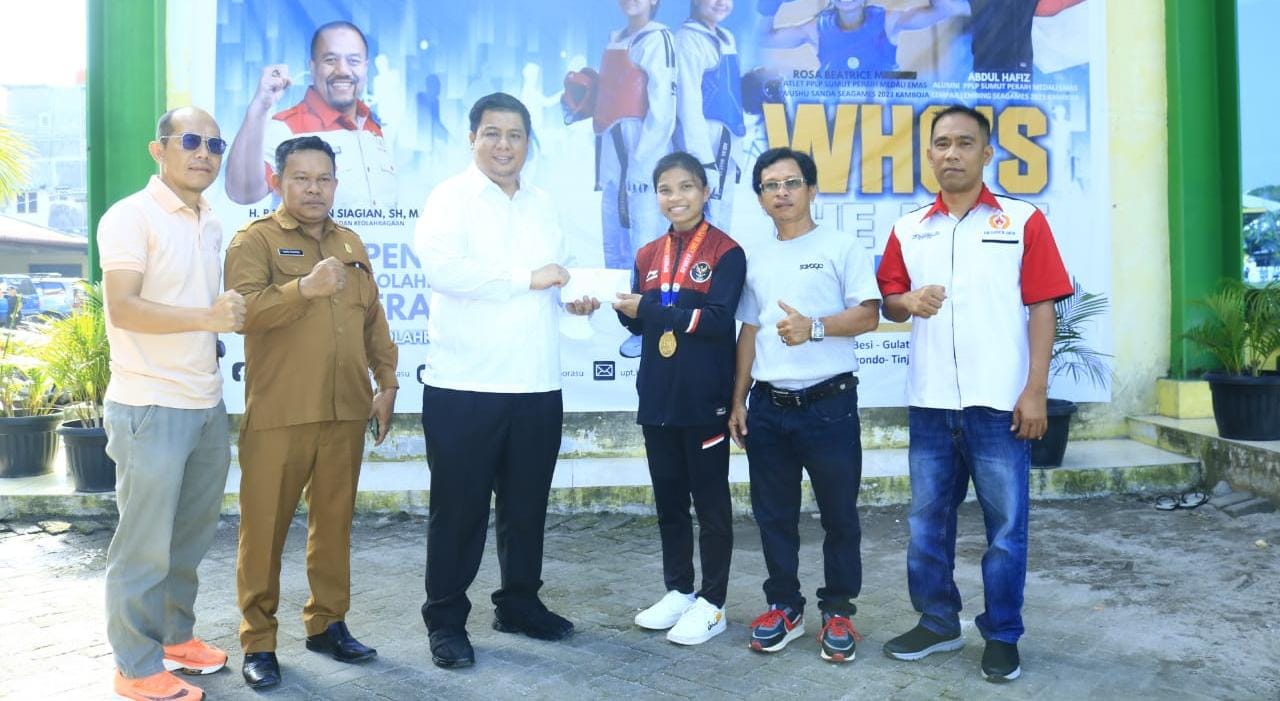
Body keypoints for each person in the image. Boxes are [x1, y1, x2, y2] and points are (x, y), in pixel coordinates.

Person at [875, 105, 1072, 682]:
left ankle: (1003, 634)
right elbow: (889, 301)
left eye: (965, 143)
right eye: (942, 144)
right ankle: (937, 622)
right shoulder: (909, 228)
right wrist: (906, 302)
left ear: (987, 153)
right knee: (925, 523)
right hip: (931, 402)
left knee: (1006, 528)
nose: (952, 153)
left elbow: (1042, 308)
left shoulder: (1023, 220)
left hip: (1000, 404)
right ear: (929, 154)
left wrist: (1035, 391)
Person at [413, 93, 600, 669]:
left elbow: (559, 278)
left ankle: (519, 603)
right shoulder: (449, 198)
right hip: (465, 386)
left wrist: (575, 300)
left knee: (526, 508)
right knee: (459, 512)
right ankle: (446, 620)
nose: (503, 145)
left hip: (536, 383)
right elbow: (444, 271)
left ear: (527, 143)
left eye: (515, 135)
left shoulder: (543, 204)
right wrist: (528, 278)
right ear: (472, 138)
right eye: (492, 133)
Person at [224, 135, 398, 690]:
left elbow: (373, 319)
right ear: (278, 182)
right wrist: (304, 288)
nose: (313, 189)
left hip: (345, 409)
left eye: (323, 178)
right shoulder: (255, 240)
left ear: (336, 185)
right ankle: (259, 640)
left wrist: (387, 381)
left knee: (334, 525)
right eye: (301, 178)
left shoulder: (350, 242)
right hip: (281, 412)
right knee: (263, 531)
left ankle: (327, 623)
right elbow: (244, 314)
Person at [98, 106, 246, 701]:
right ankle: (135, 666)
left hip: (204, 402)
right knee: (143, 547)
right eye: (190, 141)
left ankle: (175, 637)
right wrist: (208, 319)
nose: (204, 153)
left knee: (188, 538)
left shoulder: (210, 220)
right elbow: (123, 307)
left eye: (214, 144)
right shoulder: (130, 217)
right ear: (158, 150)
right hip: (149, 403)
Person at [728, 147, 880, 663]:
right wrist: (738, 399)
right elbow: (749, 331)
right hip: (768, 408)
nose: (782, 193)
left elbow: (868, 315)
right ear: (760, 198)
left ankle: (838, 611)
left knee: (839, 516)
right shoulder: (754, 258)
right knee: (774, 516)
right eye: (771, 186)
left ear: (812, 190)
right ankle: (785, 607)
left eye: (792, 183)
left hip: (828, 405)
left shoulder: (841, 246)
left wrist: (814, 327)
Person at [614, 151, 745, 645]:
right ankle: (680, 590)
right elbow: (641, 324)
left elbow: (716, 321)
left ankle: (713, 603)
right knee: (669, 502)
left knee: (709, 505)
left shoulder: (727, 252)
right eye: (665, 189)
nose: (676, 198)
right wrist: (622, 309)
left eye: (686, 187)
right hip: (657, 399)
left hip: (704, 400)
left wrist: (649, 310)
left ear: (705, 192)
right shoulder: (648, 254)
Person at [224, 21, 395, 209]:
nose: (343, 70)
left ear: (365, 67)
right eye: (330, 60)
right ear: (312, 67)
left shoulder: (376, 129)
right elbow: (242, 192)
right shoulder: (286, 128)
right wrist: (259, 107)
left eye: (353, 61)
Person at [674, 0, 746, 233]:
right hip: (705, 146)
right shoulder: (688, 40)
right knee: (703, 223)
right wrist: (703, 159)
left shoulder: (726, 37)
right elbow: (687, 104)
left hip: (727, 140)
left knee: (721, 224)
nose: (721, 3)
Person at [755, 0, 968, 74]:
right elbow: (762, 39)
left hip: (885, 121)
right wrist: (770, 6)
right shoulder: (817, 29)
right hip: (834, 121)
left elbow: (947, 8)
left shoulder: (887, 21)